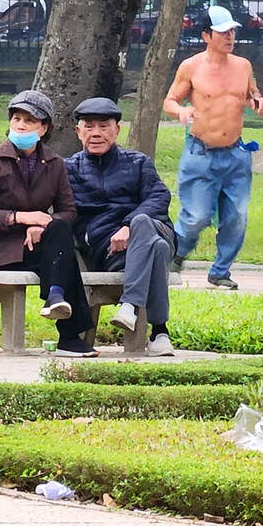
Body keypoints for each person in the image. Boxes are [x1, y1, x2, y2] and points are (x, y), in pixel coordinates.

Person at [0, 90, 98, 357]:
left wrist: (43, 224)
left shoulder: (55, 163)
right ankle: (68, 333)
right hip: (2, 250)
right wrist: (22, 218)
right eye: (16, 118)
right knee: (64, 261)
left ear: (44, 128)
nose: (21, 125)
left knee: (60, 231)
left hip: (37, 247)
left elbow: (68, 211)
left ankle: (57, 298)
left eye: (30, 120)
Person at [163, 4, 263, 290]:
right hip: (201, 153)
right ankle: (176, 256)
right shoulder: (191, 67)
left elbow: (251, 94)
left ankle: (220, 271)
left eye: (232, 31)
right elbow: (170, 101)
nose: (229, 37)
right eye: (222, 32)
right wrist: (180, 111)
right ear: (206, 36)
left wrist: (258, 103)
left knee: (237, 216)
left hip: (236, 153)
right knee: (197, 216)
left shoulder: (243, 66)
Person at [65, 97, 178, 357]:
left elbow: (159, 197)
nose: (96, 133)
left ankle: (129, 304)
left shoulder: (138, 162)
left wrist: (128, 225)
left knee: (142, 223)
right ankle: (160, 332)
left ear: (116, 130)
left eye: (103, 126)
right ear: (78, 132)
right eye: (89, 126)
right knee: (157, 249)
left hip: (153, 229)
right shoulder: (68, 169)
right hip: (111, 253)